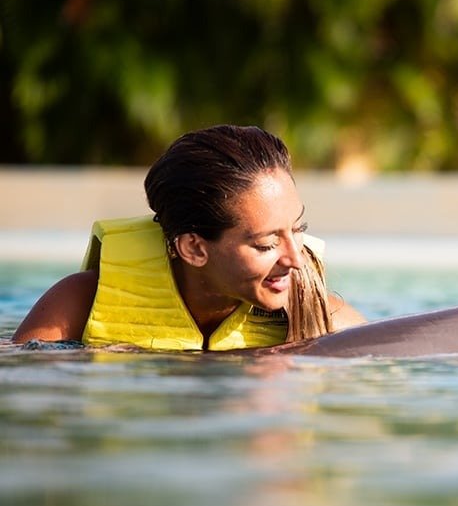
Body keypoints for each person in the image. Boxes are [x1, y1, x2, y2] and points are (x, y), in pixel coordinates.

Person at [13, 125, 365, 350]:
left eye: (297, 230)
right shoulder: (77, 305)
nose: (295, 258)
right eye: (266, 244)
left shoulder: (324, 318)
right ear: (194, 248)